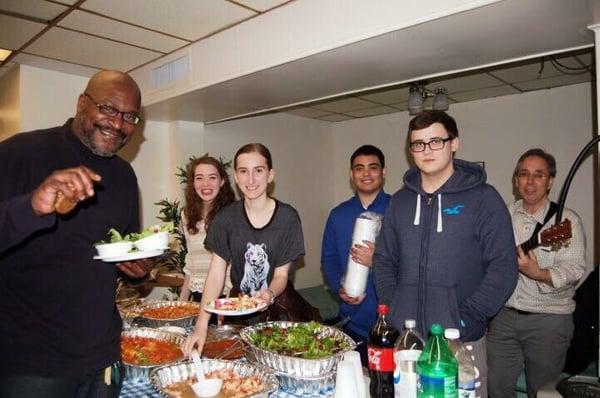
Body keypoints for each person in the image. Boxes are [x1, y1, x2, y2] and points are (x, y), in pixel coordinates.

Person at [0, 70, 154, 397]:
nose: (117, 123)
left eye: (130, 116)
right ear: (82, 103)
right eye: (108, 109)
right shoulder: (20, 153)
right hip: (31, 364)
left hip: (102, 358)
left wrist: (139, 270)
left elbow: (126, 253)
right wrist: (33, 206)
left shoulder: (125, 177)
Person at [373, 110, 518, 398]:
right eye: (418, 144)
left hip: (458, 342)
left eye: (435, 141)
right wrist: (394, 306)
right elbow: (384, 259)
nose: (426, 150)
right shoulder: (400, 202)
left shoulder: (483, 199)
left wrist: (466, 317)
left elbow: (503, 267)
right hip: (407, 341)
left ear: (454, 143)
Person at [182, 143, 305, 355]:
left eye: (258, 171)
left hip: (279, 309)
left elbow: (282, 275)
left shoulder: (287, 218)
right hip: (238, 310)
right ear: (236, 178)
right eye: (243, 172)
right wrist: (201, 325)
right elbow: (215, 274)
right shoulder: (225, 219)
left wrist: (269, 293)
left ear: (270, 175)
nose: (251, 180)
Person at [487, 148, 586, 398]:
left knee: (542, 392)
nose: (530, 182)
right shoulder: (502, 215)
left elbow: (574, 268)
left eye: (538, 175)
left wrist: (538, 272)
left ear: (550, 181)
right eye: (524, 174)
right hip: (503, 317)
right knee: (495, 388)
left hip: (549, 320)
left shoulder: (566, 222)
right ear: (516, 179)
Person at [321, 144, 390, 365]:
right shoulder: (338, 215)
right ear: (352, 175)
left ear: (383, 172)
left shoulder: (399, 210)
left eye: (373, 167)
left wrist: (376, 261)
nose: (366, 173)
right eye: (359, 168)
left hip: (392, 323)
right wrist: (338, 288)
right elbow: (329, 259)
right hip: (351, 322)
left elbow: (412, 262)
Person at [179, 155, 235, 302]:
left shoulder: (233, 215)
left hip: (228, 296)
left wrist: (230, 298)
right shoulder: (186, 215)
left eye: (212, 177)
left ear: (222, 181)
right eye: (199, 178)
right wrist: (181, 302)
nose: (206, 184)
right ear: (192, 182)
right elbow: (191, 262)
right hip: (198, 294)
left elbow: (238, 263)